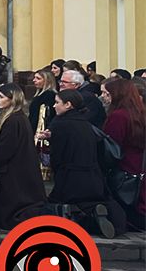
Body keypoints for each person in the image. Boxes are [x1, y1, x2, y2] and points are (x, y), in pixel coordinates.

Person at [42, 89, 123, 237]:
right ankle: (96, 212)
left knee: (58, 203)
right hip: (92, 174)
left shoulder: (60, 123)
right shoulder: (85, 123)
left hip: (70, 174)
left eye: (57, 102)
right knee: (88, 200)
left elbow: (58, 155)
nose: (54, 106)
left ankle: (75, 221)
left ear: (68, 105)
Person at [0, 83, 48, 230]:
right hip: (17, 168)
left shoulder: (13, 121)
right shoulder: (17, 118)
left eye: (1, 97)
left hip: (13, 171)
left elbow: (5, 150)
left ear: (12, 99)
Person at [102, 78, 146, 231]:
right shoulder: (140, 113)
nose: (104, 97)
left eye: (107, 93)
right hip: (139, 164)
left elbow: (111, 146)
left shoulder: (119, 116)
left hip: (124, 165)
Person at [27, 68, 58, 133]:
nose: (34, 80)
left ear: (47, 81)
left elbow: (46, 116)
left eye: (38, 78)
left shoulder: (49, 96)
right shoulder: (39, 94)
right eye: (34, 78)